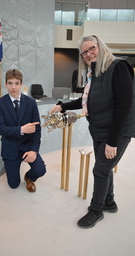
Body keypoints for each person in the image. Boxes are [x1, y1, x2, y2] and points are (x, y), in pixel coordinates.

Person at [49, 35, 135, 228]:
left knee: (100, 170)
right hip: (100, 130)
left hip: (117, 132)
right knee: (104, 168)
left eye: (91, 49)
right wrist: (62, 106)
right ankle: (109, 203)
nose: (88, 54)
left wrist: (113, 141)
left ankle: (96, 211)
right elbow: (87, 100)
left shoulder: (118, 66)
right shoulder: (94, 74)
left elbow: (124, 105)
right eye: (84, 52)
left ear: (100, 47)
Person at [0, 69, 46, 192]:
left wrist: (34, 150)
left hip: (27, 145)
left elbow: (37, 129)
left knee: (40, 170)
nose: (13, 87)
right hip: (10, 147)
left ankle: (29, 177)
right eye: (10, 83)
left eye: (17, 83)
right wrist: (21, 129)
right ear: (6, 84)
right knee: (13, 185)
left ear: (21, 84)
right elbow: (1, 129)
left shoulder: (31, 102)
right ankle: (11, 168)